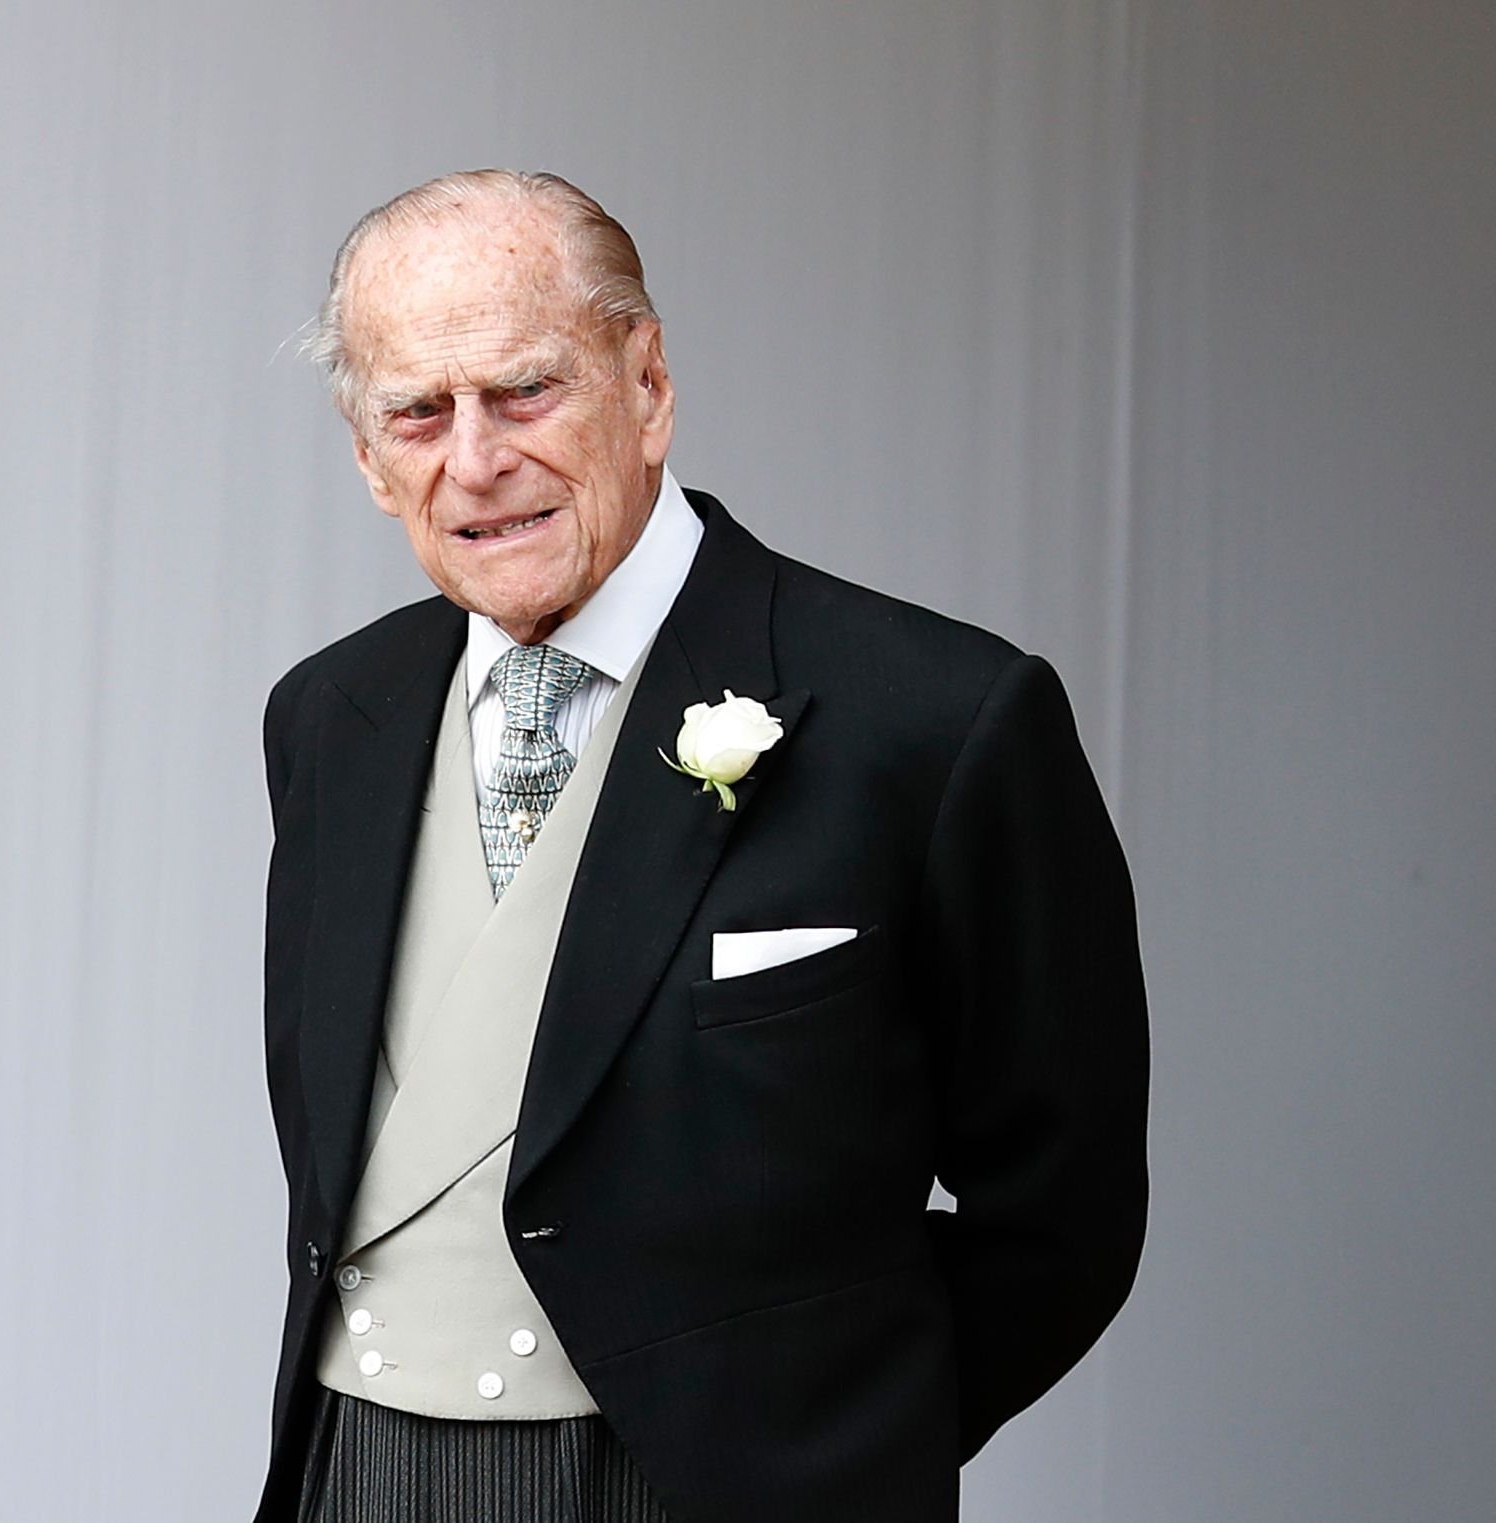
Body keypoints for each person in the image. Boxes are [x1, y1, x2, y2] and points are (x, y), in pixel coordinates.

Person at [255, 169, 1148, 1523]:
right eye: (420, 413)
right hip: (361, 1474)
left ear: (650, 383)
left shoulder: (938, 717)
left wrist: (827, 1442)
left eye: (526, 392)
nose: (476, 459)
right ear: (371, 461)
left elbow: (1064, 1214)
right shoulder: (330, 718)